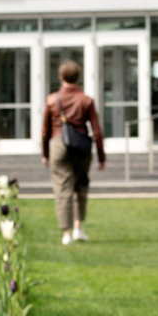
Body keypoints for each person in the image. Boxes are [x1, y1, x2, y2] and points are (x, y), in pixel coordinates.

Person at [38, 60, 105, 245]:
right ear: (78, 77)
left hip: (58, 146)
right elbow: (97, 131)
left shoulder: (51, 100)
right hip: (82, 147)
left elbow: (45, 131)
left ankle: (66, 234)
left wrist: (45, 153)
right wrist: (101, 156)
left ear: (61, 77)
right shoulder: (86, 100)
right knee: (80, 186)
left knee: (62, 189)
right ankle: (78, 228)